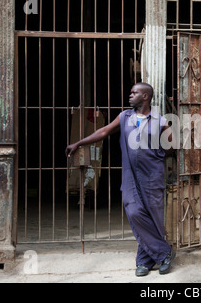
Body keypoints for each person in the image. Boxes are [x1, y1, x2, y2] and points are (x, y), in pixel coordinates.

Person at [65, 83, 175, 277]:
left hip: (152, 177)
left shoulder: (159, 121)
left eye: (135, 93)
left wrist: (154, 154)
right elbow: (104, 131)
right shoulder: (125, 117)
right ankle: (164, 253)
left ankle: (143, 261)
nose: (130, 95)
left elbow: (171, 147)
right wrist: (79, 142)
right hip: (131, 176)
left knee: (154, 219)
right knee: (134, 213)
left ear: (146, 97)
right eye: (131, 92)